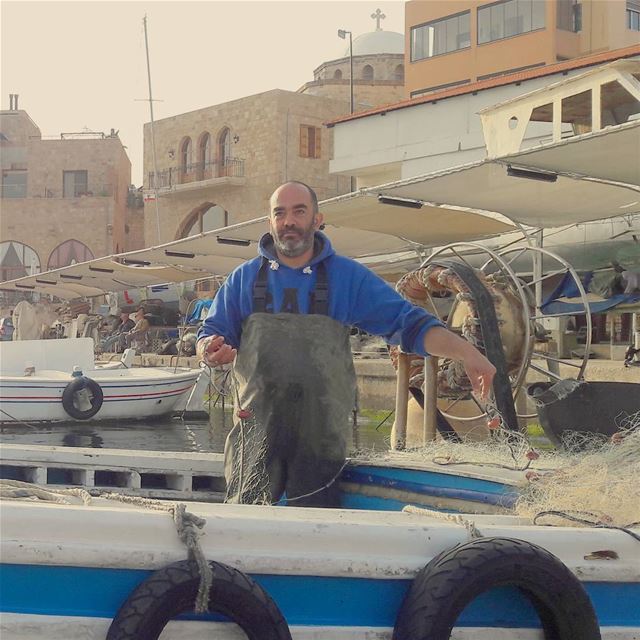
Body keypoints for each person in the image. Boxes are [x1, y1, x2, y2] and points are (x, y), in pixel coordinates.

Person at [197, 181, 496, 507]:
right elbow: (211, 333)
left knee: (316, 520)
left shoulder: (347, 278)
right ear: (270, 222)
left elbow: (409, 325)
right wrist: (209, 349)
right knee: (245, 519)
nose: (289, 221)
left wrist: (468, 353)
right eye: (279, 213)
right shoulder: (243, 279)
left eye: (299, 211)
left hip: (320, 442)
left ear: (317, 219)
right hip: (253, 436)